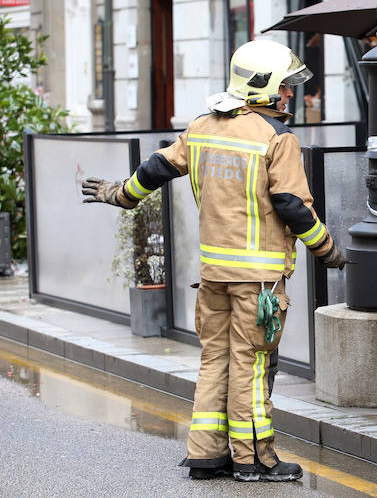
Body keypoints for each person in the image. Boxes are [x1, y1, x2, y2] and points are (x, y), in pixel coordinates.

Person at [81, 39, 346, 481]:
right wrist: (328, 249)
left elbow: (155, 168)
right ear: (262, 88)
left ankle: (206, 453)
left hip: (213, 276)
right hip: (258, 281)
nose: (289, 96)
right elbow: (292, 206)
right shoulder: (277, 139)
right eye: (284, 87)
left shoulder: (202, 126)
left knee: (215, 360)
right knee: (252, 364)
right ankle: (254, 459)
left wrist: (118, 194)